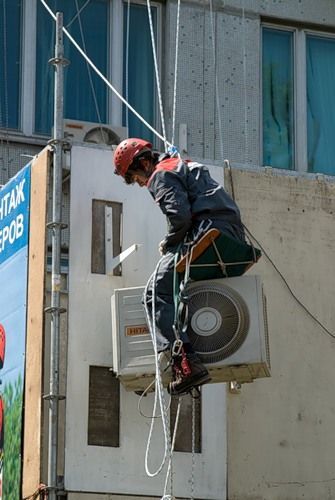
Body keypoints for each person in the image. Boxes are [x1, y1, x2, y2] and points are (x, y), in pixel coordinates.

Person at [114, 138, 245, 395]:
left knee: (153, 294)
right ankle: (187, 356)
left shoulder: (160, 175)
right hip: (227, 230)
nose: (141, 183)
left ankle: (184, 364)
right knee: (176, 293)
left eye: (135, 177)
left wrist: (170, 241)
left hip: (209, 229)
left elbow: (180, 217)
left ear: (143, 162)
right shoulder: (178, 165)